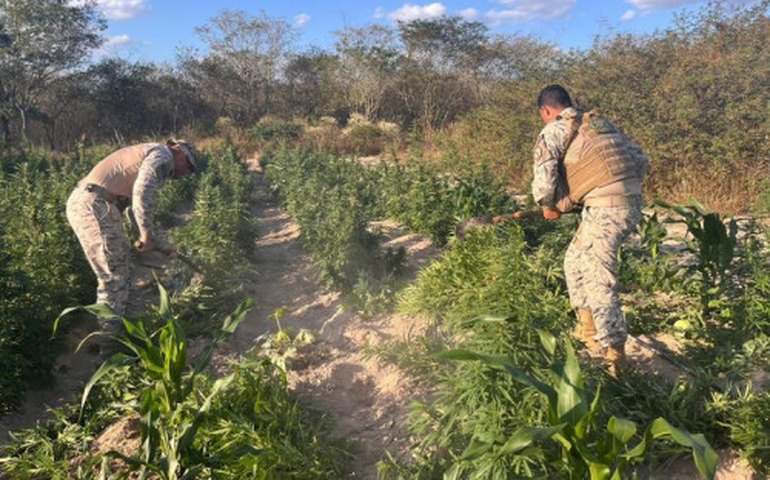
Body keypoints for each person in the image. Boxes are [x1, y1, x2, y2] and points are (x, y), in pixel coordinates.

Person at [530, 84, 650, 375]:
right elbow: (642, 161)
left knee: (598, 277)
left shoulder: (554, 130)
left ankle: (615, 357)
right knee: (574, 259)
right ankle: (587, 330)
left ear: (546, 110)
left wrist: (548, 205)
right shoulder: (599, 123)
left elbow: (545, 180)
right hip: (629, 202)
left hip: (608, 209)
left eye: (543, 115)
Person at [66, 138, 198, 335]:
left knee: (121, 270)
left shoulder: (153, 154)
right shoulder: (162, 156)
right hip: (95, 206)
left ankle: (118, 330)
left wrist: (162, 244)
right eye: (189, 166)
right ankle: (110, 343)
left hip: (99, 206)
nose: (186, 173)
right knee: (113, 276)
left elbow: (132, 211)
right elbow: (142, 193)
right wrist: (146, 234)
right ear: (180, 152)